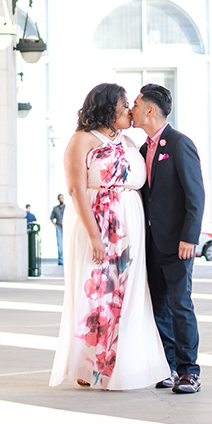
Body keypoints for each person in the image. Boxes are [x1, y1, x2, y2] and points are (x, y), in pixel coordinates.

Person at [49, 83, 169, 391]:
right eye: (124, 103)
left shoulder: (129, 141)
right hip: (97, 225)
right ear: (107, 107)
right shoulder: (82, 140)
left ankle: (123, 363)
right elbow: (76, 189)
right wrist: (94, 236)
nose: (129, 108)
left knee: (128, 295)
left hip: (131, 227)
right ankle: (89, 367)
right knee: (95, 295)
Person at [130, 83, 205, 394]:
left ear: (150, 109)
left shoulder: (179, 144)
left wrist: (189, 237)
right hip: (150, 244)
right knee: (158, 306)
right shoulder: (143, 149)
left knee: (180, 306)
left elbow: (195, 195)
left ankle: (190, 372)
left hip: (177, 245)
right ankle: (169, 367)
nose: (130, 109)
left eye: (134, 104)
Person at [50, 193, 66, 266]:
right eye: (60, 198)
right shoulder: (55, 208)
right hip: (59, 227)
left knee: (66, 244)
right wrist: (55, 225)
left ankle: (66, 259)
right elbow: (51, 218)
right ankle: (60, 260)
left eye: (62, 198)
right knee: (60, 244)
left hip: (66, 227)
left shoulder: (66, 207)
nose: (61, 199)